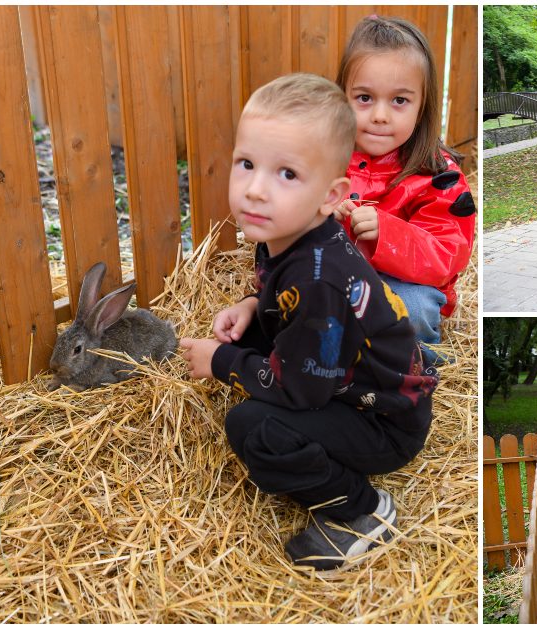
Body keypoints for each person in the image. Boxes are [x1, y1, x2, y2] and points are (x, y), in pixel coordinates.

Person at [177, 73, 438, 572]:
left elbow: (301, 392)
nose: (255, 190)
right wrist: (255, 306)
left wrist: (224, 362)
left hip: (382, 423)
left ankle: (360, 512)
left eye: (287, 174)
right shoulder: (288, 232)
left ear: (330, 194)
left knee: (253, 427)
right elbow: (285, 299)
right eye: (247, 164)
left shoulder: (322, 280)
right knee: (253, 341)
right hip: (345, 377)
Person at [334, 16, 476, 365]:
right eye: (364, 98)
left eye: (399, 101)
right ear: (342, 98)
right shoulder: (324, 159)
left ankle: (415, 363)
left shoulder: (438, 175)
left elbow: (448, 253)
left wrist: (388, 234)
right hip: (335, 280)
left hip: (403, 284)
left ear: (422, 105)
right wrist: (324, 216)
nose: (380, 115)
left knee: (411, 308)